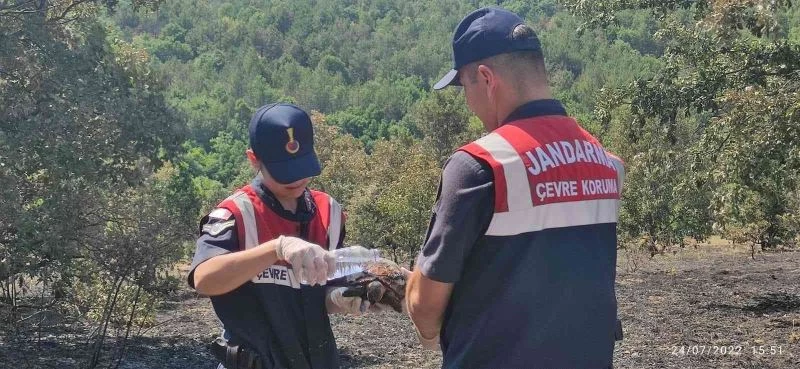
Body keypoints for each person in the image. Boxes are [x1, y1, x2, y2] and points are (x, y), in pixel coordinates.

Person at [405, 7, 625, 369]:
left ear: (487, 79)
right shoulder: (606, 163)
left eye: (465, 87)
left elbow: (425, 307)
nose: (468, 103)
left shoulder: (479, 166)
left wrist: (415, 298)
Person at [188, 103, 369, 369]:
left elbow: (320, 293)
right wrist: (276, 248)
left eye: (302, 166)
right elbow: (204, 279)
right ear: (254, 159)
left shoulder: (328, 212)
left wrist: (340, 298)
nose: (296, 179)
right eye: (283, 170)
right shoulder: (236, 213)